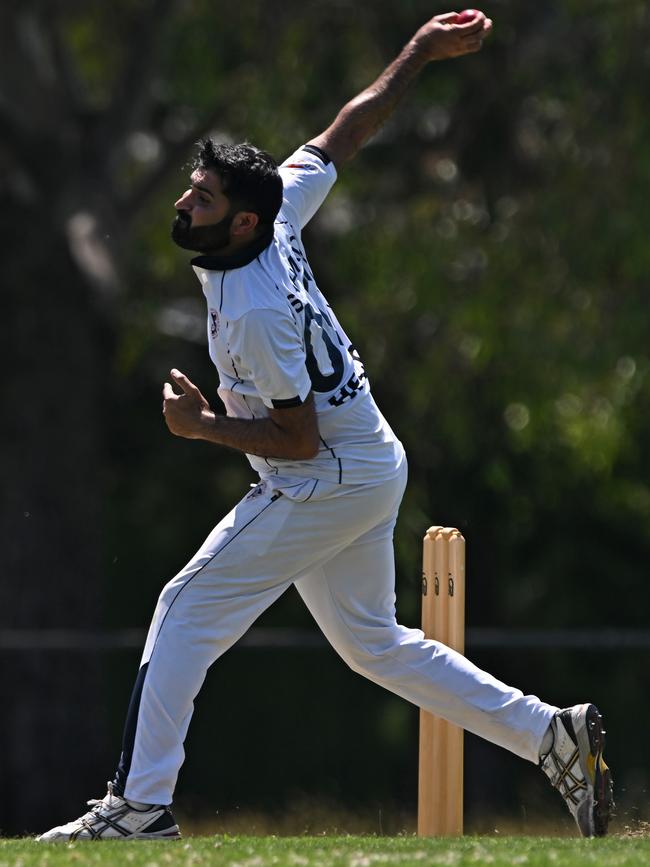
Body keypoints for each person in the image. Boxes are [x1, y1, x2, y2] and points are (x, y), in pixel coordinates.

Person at [37, 10, 613, 842]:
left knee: (183, 607)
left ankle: (139, 806)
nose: (181, 202)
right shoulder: (279, 210)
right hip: (372, 462)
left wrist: (201, 427)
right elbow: (348, 130)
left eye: (199, 198)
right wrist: (418, 52)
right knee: (375, 645)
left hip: (324, 474)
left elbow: (298, 440)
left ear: (240, 223)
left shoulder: (255, 310)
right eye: (189, 188)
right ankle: (550, 732)